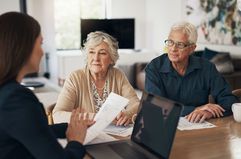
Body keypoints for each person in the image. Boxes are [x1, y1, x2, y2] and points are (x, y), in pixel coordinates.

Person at [0, 12, 94, 159]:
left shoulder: (6, 93)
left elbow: (30, 130)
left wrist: (72, 128)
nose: (42, 52)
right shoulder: (16, 99)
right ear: (23, 47)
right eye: (40, 43)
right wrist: (76, 141)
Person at [145, 21, 238, 123]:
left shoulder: (207, 68)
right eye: (170, 42)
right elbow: (155, 106)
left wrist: (209, 113)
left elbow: (229, 100)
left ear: (192, 48)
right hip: (164, 126)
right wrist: (195, 109)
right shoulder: (154, 68)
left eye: (180, 44)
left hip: (199, 126)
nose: (172, 48)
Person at [53, 31, 139, 126]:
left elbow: (136, 104)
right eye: (91, 52)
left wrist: (127, 114)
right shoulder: (75, 78)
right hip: (85, 136)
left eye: (102, 53)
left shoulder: (117, 75)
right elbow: (58, 115)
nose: (96, 58)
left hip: (113, 135)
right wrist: (96, 118)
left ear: (111, 58)